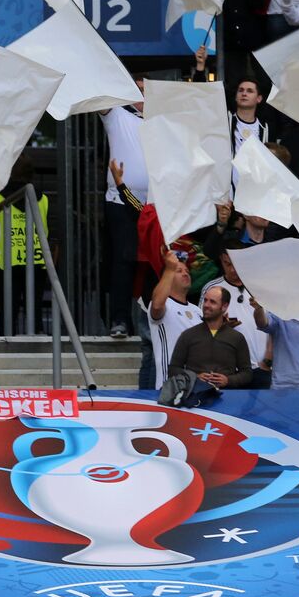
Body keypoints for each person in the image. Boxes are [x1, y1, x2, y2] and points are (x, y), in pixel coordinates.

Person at [100, 75, 146, 339]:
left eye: (145, 91)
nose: (142, 96)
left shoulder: (164, 119)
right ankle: (120, 320)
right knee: (123, 261)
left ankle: (154, 317)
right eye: (137, 91)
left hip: (157, 203)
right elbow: (98, 92)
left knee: (156, 262)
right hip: (120, 201)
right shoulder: (116, 114)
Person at [167, 286, 253, 391]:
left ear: (224, 306)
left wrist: (228, 380)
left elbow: (247, 374)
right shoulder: (188, 335)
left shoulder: (237, 338)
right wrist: (195, 377)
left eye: (212, 302)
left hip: (226, 398)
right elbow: (173, 369)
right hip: (194, 396)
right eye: (205, 300)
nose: (206, 305)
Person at [202, 252, 269, 386]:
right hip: (232, 371)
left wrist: (268, 360)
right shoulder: (212, 289)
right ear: (221, 260)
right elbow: (202, 329)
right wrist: (221, 326)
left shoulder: (262, 285)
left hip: (264, 368)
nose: (232, 269)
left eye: (236, 264)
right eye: (227, 264)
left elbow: (275, 325)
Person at [146, 249, 200, 390]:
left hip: (196, 385)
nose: (185, 273)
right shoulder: (163, 305)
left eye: (187, 270)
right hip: (170, 386)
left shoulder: (198, 310)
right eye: (179, 270)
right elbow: (157, 306)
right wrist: (169, 269)